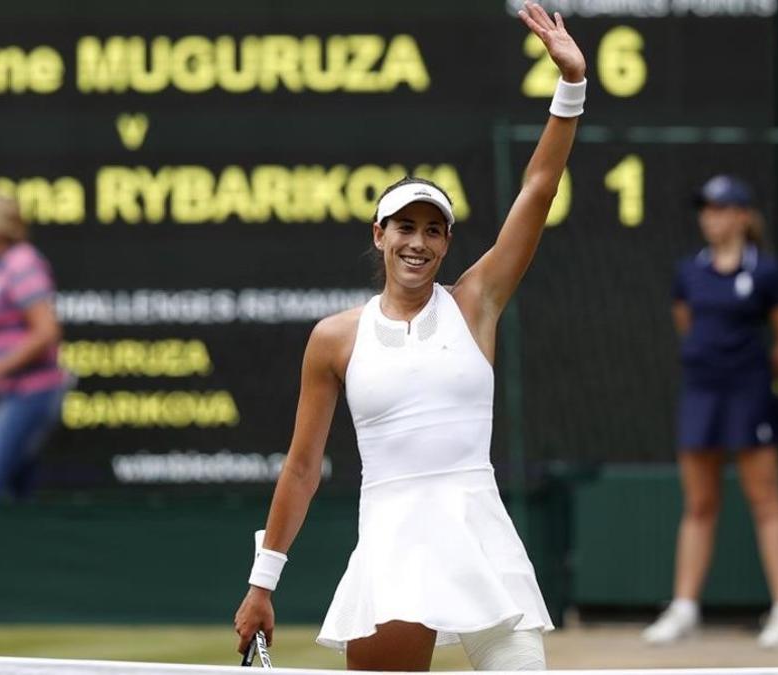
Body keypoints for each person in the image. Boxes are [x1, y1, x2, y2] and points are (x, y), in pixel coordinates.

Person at [233, 3, 584, 670]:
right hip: (392, 544)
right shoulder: (335, 338)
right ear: (379, 234)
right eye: (405, 226)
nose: (418, 241)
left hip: (481, 538)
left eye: (433, 229)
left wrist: (570, 88)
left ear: (447, 241)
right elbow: (302, 467)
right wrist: (263, 579)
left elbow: (539, 188)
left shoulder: (476, 302)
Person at [642, 175, 778, 649]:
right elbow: (687, 327)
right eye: (705, 209)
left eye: (719, 208)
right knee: (698, 504)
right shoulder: (688, 272)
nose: (710, 217)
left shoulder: (768, 272)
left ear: (741, 215)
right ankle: (685, 608)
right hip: (701, 395)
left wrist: (754, 377)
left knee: (766, 500)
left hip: (750, 397)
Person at [0, 193, 67, 507]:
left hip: (31, 393)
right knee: (17, 494)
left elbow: (47, 331)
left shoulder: (22, 263)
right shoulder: (0, 268)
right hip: (9, 395)